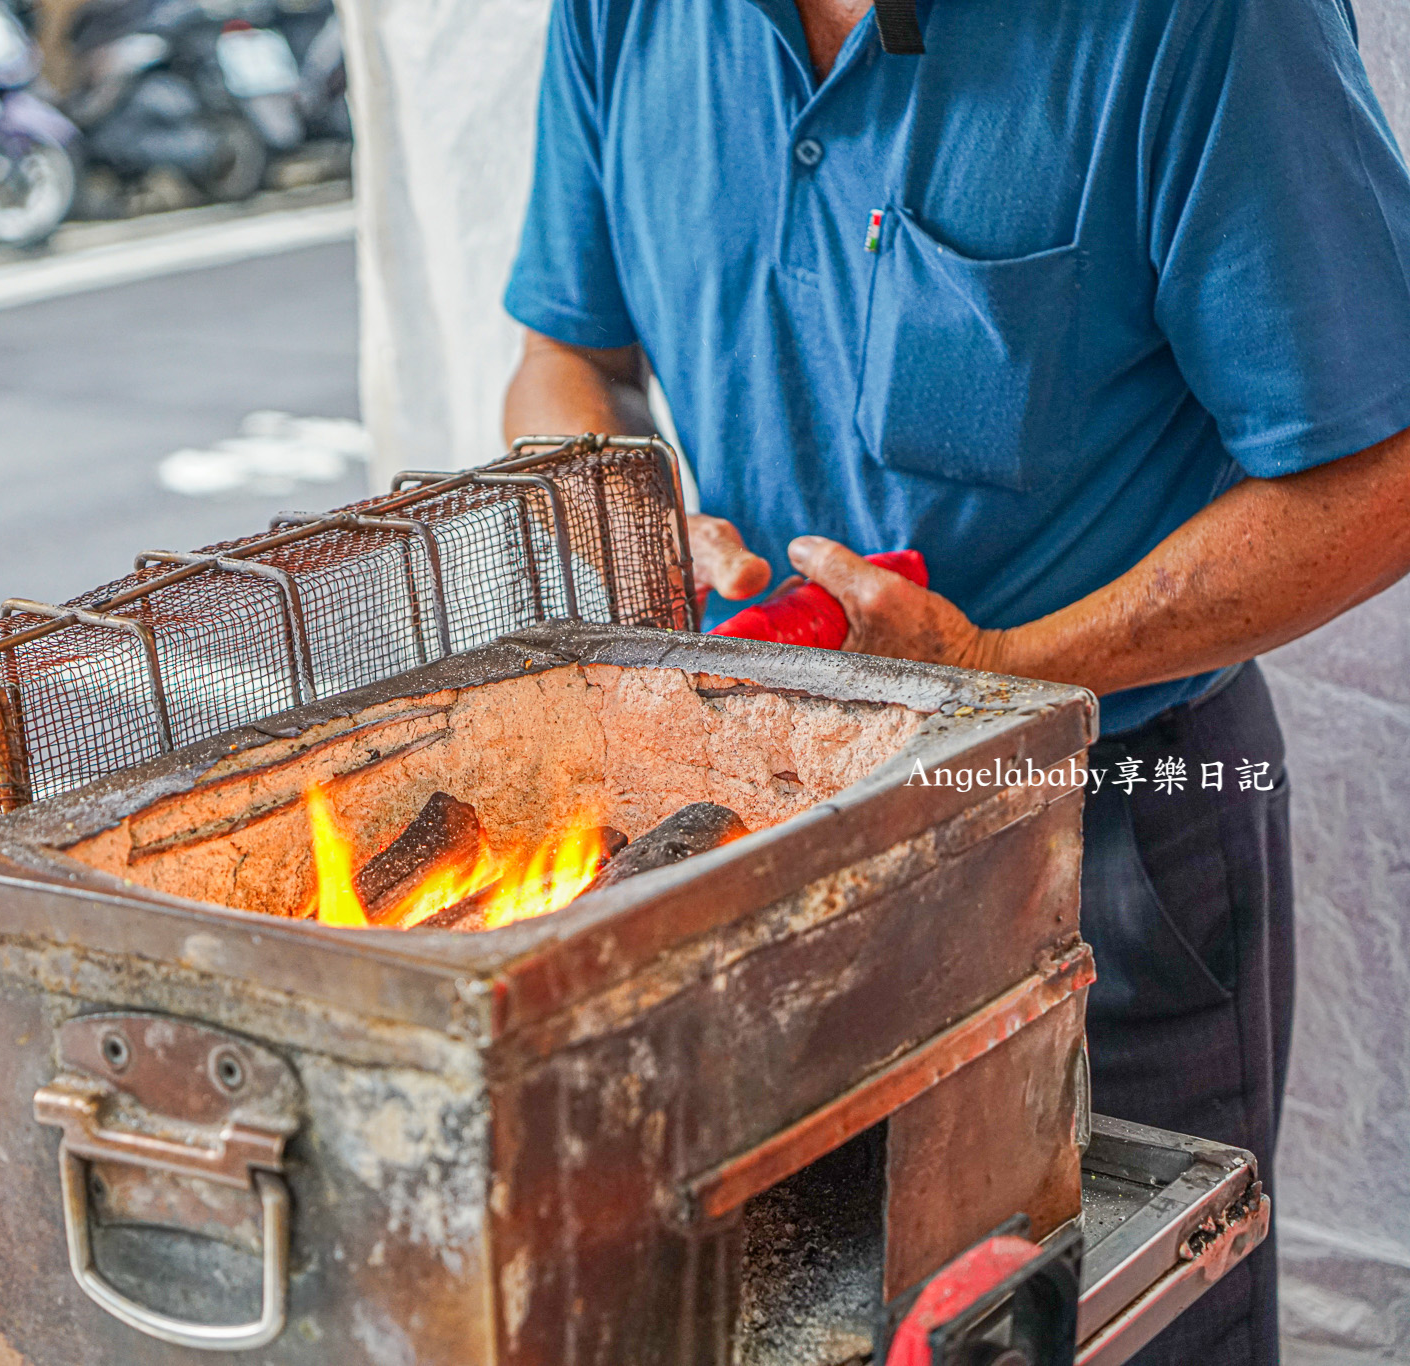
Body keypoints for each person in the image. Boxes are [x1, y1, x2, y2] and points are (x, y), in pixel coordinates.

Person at [499, 0, 1410, 1359]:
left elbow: (1378, 478)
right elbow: (564, 358)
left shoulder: (1208, 23)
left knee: (1123, 1325)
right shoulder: (626, 16)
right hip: (744, 844)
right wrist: (623, 513)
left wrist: (1000, 678)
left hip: (1096, 835)